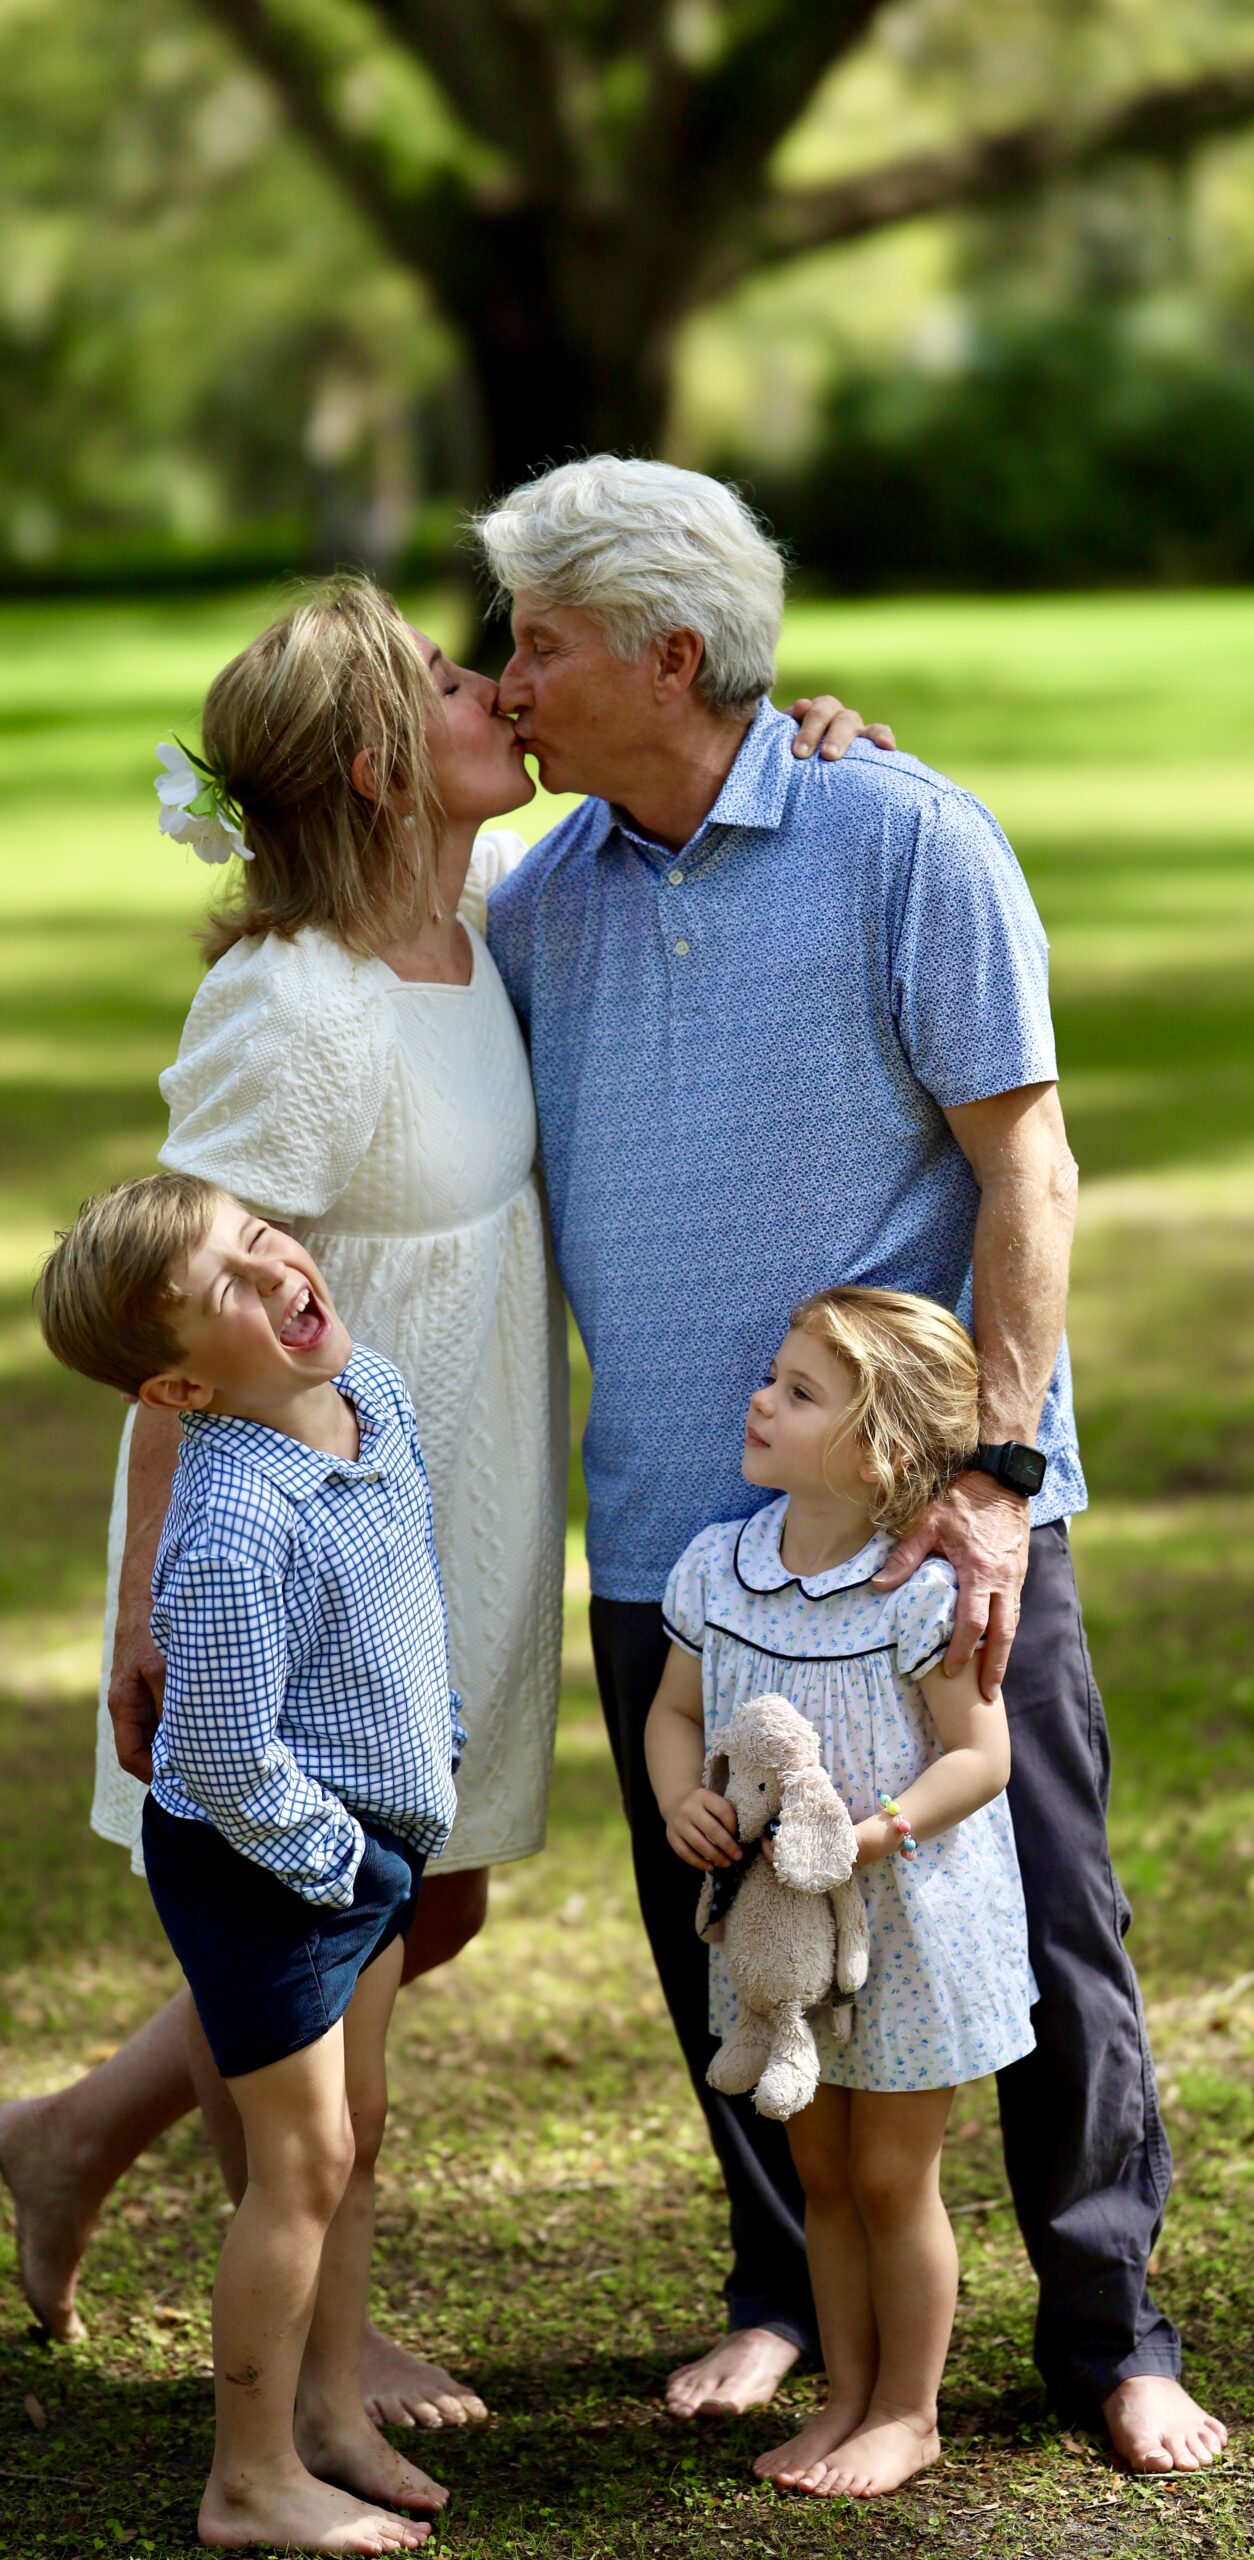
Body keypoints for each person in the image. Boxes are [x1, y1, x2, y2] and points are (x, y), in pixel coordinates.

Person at [0, 574, 869, 2416]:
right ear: (384, 773)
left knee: (428, 1901)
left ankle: (70, 2135)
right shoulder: (291, 1007)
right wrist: (152, 1605)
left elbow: (685, 837)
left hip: (458, 1493)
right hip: (306, 1542)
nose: (505, 693)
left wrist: (801, 749)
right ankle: (322, 2333)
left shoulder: (479, 918)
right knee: (330, 1913)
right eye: (463, 683)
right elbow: (183, 1322)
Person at [478, 454, 1225, 2474]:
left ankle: (1108, 2325)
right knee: (731, 1922)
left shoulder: (906, 836)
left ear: (672, 655)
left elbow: (1024, 1164)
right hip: (672, 1527)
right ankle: (782, 2297)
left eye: (540, 642)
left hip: (930, 1524)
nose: (509, 679)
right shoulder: (536, 905)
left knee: (1036, 1912)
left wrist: (993, 1466)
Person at [36, 1172, 453, 2556]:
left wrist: (429, 1750)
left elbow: (400, 1591)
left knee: (358, 2132)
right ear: (177, 1388)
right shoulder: (230, 1527)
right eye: (228, 1284)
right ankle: (251, 2477)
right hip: (269, 1861)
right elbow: (217, 1758)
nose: (274, 1270)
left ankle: (331, 2416)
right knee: (303, 2163)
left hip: (366, 1834)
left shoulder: (367, 1394)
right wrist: (341, 1861)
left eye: (262, 1240)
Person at [646, 1287, 1036, 2498]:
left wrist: (878, 1833)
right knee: (819, 2174)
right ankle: (845, 2397)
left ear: (881, 1453)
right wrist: (680, 1798)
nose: (760, 1398)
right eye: (775, 1376)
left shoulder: (919, 1593)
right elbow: (673, 1712)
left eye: (799, 1391)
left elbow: (982, 1756)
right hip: (779, 1930)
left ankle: (907, 2413)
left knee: (888, 2178)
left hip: (907, 1927)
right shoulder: (718, 1568)